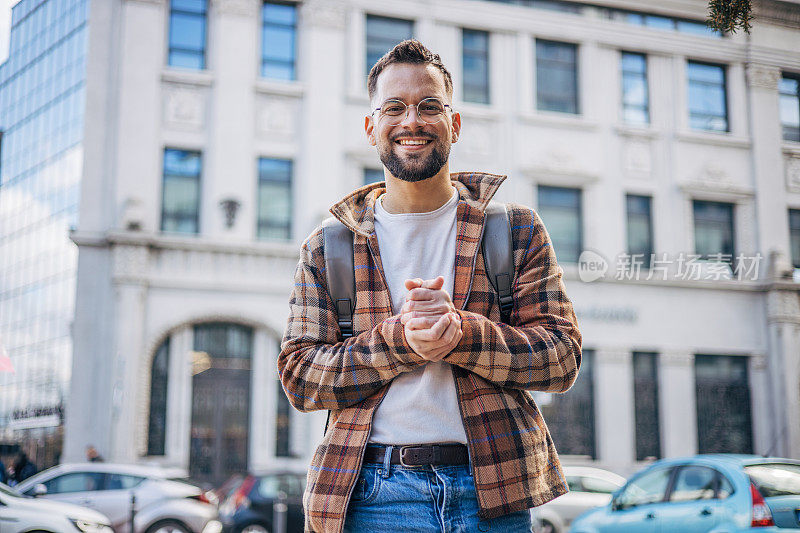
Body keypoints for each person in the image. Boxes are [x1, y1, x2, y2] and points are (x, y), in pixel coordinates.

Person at [278, 40, 582, 533]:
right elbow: (299, 377)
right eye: (393, 107)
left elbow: (562, 357)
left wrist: (460, 334)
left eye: (429, 106)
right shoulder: (329, 245)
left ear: (454, 124)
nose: (411, 121)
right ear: (371, 127)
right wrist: (401, 340)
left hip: (494, 493)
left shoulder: (514, 229)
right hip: (371, 495)